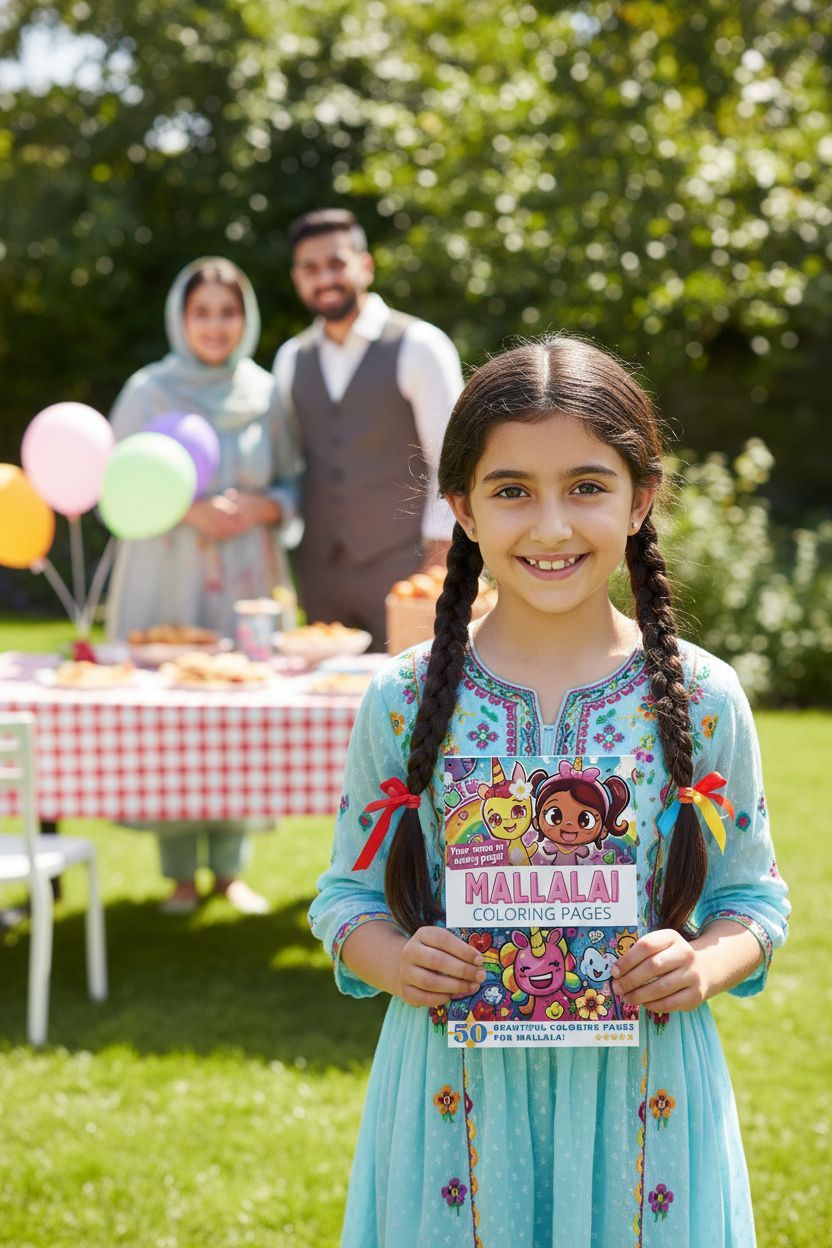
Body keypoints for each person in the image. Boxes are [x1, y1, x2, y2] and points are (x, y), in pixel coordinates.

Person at [309, 336, 790, 1247]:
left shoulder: (702, 696)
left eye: (587, 486)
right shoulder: (405, 697)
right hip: (455, 1112)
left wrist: (702, 963)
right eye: (512, 490)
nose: (552, 526)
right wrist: (394, 960)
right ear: (462, 507)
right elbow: (345, 897)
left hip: (647, 1108)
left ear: (641, 498)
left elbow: (752, 901)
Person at [107, 257, 302, 915]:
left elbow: (297, 479)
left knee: (239, 707)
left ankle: (230, 868)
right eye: (202, 312)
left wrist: (262, 508)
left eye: (228, 312)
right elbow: (116, 479)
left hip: (246, 570)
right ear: (180, 319)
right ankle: (179, 873)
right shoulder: (147, 391)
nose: (215, 326)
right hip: (168, 566)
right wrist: (186, 508)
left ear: (245, 319)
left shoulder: (267, 392)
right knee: (170, 708)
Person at [272, 208, 464, 649]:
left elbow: (451, 464)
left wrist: (435, 569)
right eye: (310, 268)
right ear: (297, 277)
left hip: (405, 573)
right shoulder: (290, 358)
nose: (324, 279)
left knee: (412, 709)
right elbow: (291, 463)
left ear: (365, 265)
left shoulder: (419, 345)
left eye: (336, 263)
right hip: (320, 578)